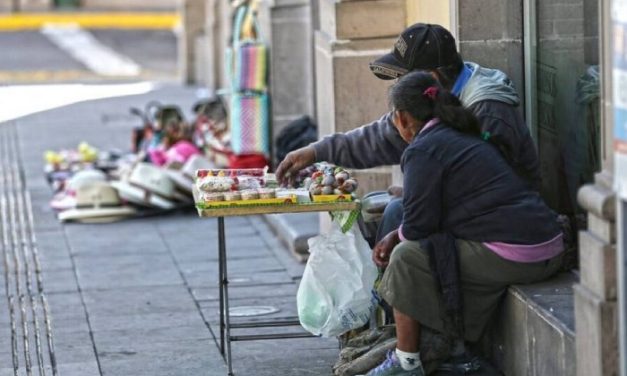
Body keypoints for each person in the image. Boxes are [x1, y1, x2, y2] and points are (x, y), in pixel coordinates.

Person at [360, 72, 563, 376]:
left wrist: (393, 238)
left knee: (405, 258)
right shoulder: (460, 133)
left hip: (521, 253)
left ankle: (407, 361)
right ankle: (447, 345)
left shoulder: (423, 149)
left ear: (401, 118)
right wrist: (396, 233)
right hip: (548, 245)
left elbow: (416, 228)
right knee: (427, 248)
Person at [275, 23, 540, 243]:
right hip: (465, 206)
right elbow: (381, 136)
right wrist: (316, 151)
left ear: (430, 77)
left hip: (505, 223)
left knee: (395, 216)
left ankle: (396, 303)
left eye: (403, 78)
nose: (398, 86)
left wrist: (424, 197)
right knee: (371, 209)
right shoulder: (431, 100)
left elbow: (494, 187)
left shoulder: (488, 110)